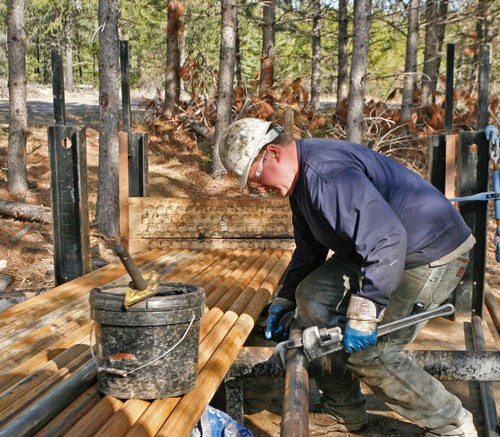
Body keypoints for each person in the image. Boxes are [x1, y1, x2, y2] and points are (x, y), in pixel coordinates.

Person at [219, 118, 477, 436]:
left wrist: (366, 312)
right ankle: (343, 408)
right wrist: (285, 298)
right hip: (378, 250)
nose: (258, 188)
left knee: (372, 354)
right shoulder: (301, 185)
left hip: (428, 253)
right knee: (312, 296)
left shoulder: (326, 176)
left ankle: (452, 424)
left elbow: (387, 240)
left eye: (255, 176)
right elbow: (309, 250)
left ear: (272, 152)